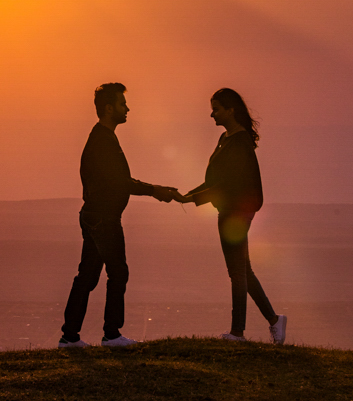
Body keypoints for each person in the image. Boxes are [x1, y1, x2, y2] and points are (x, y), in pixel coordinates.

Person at [59, 82, 180, 348]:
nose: (128, 109)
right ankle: (111, 335)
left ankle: (70, 336)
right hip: (104, 218)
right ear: (109, 108)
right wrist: (155, 191)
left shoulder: (102, 137)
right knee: (117, 273)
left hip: (94, 216)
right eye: (123, 104)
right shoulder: (103, 140)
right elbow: (120, 182)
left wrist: (156, 189)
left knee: (88, 277)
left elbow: (118, 180)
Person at [181, 88, 287, 345]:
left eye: (216, 108)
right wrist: (190, 194)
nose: (212, 114)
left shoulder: (238, 143)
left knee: (237, 272)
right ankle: (274, 320)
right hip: (229, 209)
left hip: (236, 211)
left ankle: (237, 332)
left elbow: (227, 184)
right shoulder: (227, 138)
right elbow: (215, 180)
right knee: (243, 271)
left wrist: (193, 198)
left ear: (231, 110)